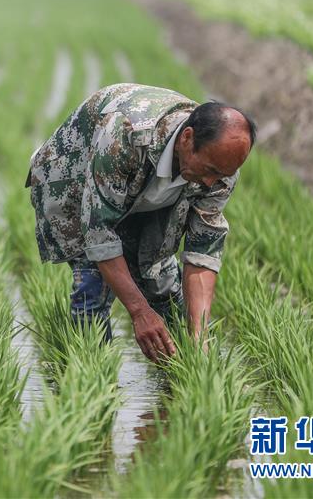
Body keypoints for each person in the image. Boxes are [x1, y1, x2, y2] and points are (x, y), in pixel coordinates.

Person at [25, 83, 257, 363]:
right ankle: (92, 371)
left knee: (161, 283)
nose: (211, 182)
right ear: (187, 138)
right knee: (93, 283)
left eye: (221, 175)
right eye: (209, 170)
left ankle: (186, 364)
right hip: (76, 183)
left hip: (148, 190)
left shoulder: (221, 171)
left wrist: (199, 335)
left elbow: (202, 251)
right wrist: (139, 312)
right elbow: (99, 234)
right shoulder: (126, 134)